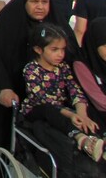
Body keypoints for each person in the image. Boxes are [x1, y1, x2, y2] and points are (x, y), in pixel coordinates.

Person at [0, 0, 54, 159]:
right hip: (7, 91)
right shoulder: (8, 22)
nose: (40, 6)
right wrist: (4, 87)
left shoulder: (54, 26)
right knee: (2, 137)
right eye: (34, 1)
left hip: (42, 96)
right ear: (24, 2)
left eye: (45, 2)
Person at [21, 23, 104, 162]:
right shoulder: (31, 70)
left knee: (88, 113)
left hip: (62, 108)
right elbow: (44, 100)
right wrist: (72, 114)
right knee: (50, 110)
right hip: (37, 110)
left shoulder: (63, 67)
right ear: (38, 49)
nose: (60, 54)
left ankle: (99, 141)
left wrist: (82, 114)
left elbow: (74, 90)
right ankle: (81, 139)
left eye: (63, 49)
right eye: (54, 49)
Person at [74, 17, 106, 131]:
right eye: (105, 46)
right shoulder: (82, 64)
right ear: (94, 45)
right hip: (99, 117)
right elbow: (100, 102)